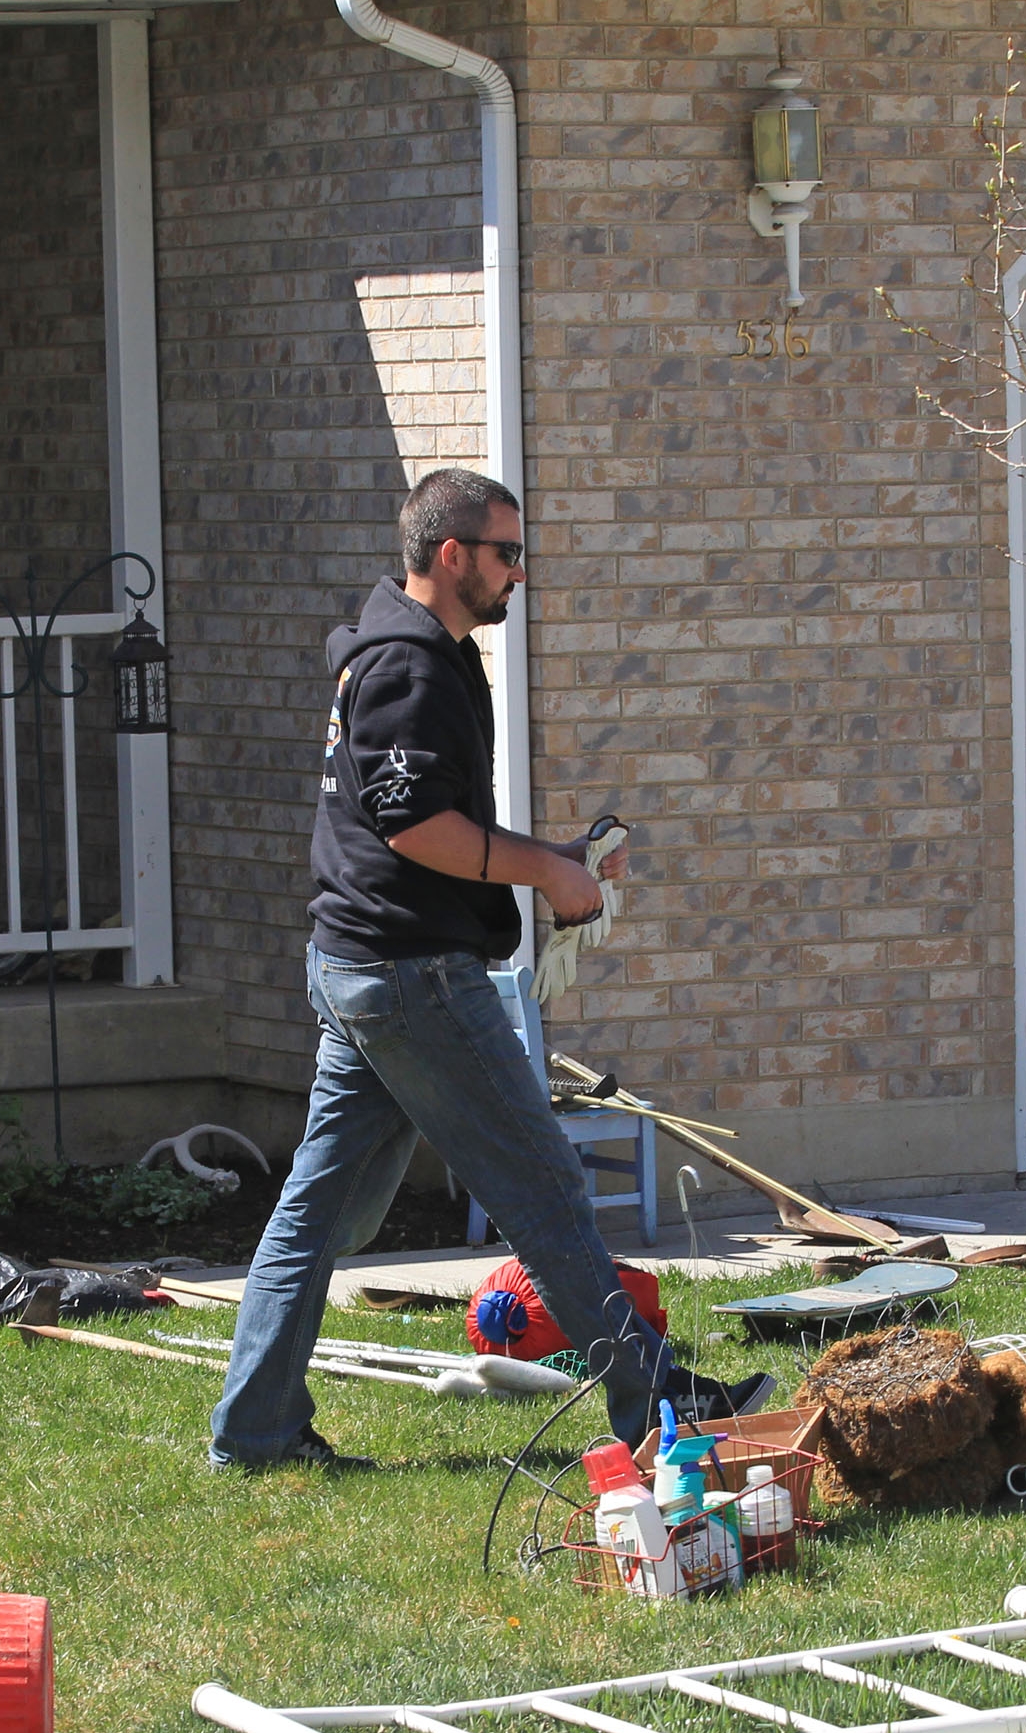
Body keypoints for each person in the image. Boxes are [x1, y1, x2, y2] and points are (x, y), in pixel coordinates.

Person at [208, 467, 773, 1470]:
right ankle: (658, 1408)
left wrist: (557, 856)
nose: (521, 572)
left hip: (365, 965)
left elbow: (423, 824)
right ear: (452, 553)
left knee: (318, 1214)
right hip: (412, 977)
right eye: (508, 553)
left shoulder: (422, 651)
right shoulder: (409, 667)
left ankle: (255, 1436)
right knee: (544, 1186)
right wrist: (548, 873)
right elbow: (415, 826)